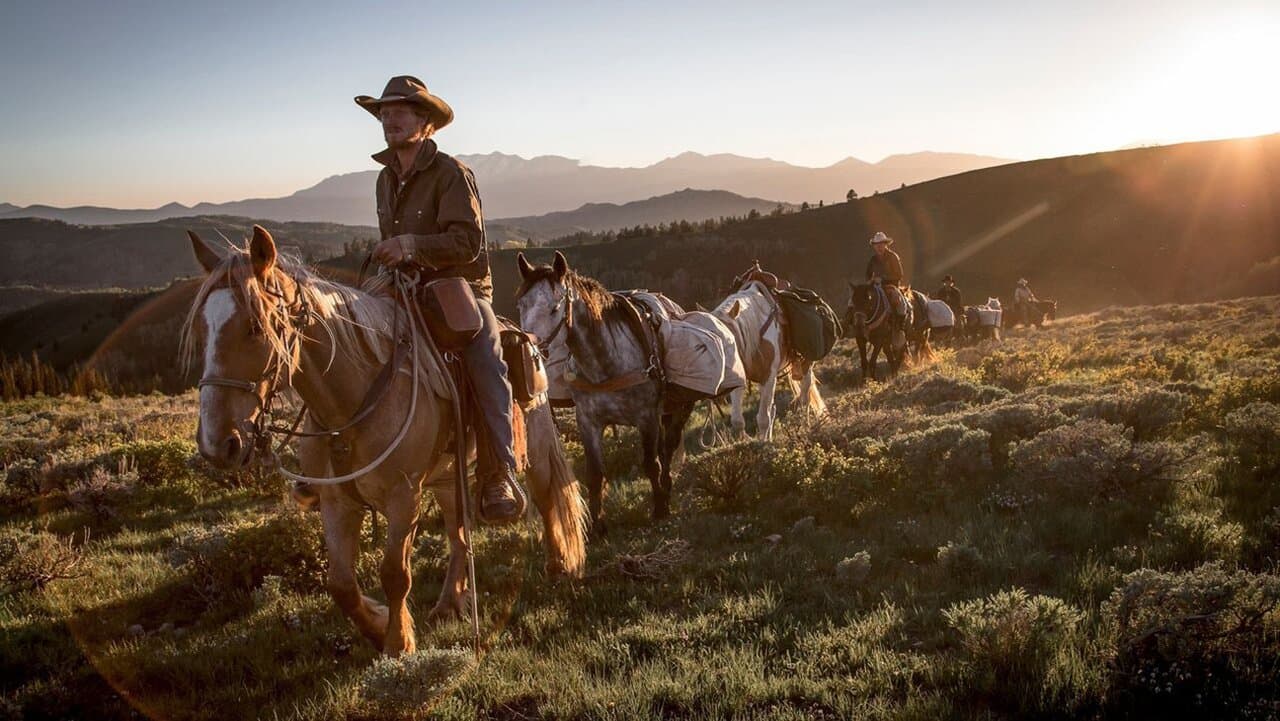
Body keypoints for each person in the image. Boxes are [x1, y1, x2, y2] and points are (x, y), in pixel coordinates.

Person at [356, 75, 525, 524]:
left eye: (400, 112)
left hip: (459, 286)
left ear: (425, 122)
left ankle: (498, 472)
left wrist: (410, 245)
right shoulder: (384, 179)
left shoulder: (452, 173)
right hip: (403, 287)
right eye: (384, 113)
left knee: (484, 352)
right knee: (345, 334)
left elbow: (468, 243)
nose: (389, 119)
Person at [864, 232, 909, 343]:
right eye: (876, 245)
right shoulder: (873, 259)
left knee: (899, 303)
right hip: (876, 287)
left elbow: (899, 274)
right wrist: (870, 281)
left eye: (881, 244)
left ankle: (900, 326)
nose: (879, 247)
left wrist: (883, 279)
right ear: (874, 246)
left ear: (885, 244)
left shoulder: (893, 257)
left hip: (891, 286)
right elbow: (868, 274)